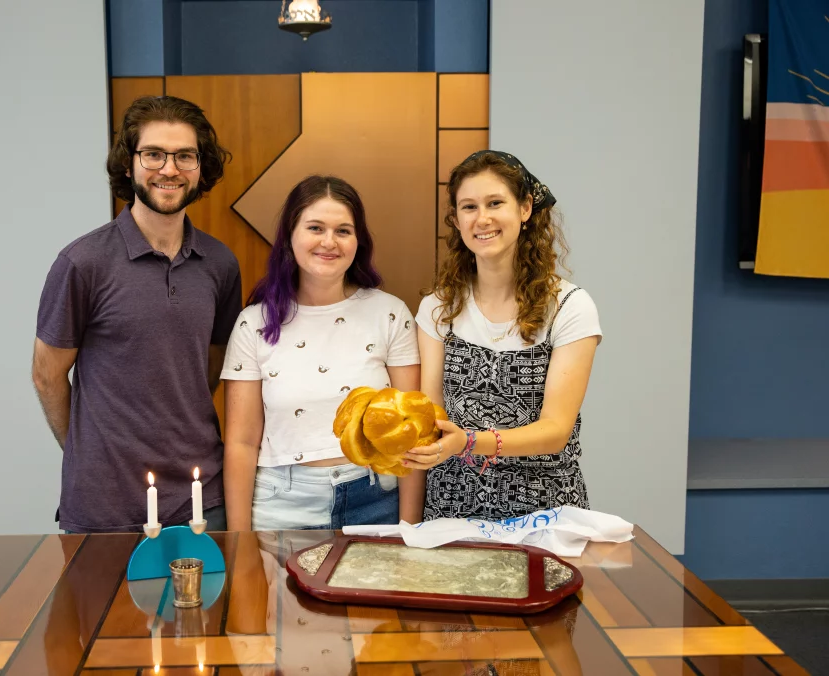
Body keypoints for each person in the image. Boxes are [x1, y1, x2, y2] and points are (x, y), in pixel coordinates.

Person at [32, 96, 242, 533]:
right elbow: (47, 375)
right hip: (105, 503)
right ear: (128, 165)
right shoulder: (82, 262)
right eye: (154, 154)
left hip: (200, 495)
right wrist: (87, 453)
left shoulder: (220, 264)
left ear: (201, 168)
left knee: (206, 605)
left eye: (185, 155)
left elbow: (210, 363)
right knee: (101, 606)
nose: (170, 169)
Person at [404, 150, 602, 520]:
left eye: (495, 203)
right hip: (451, 512)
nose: (483, 219)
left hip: (544, 513)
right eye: (469, 207)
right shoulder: (437, 308)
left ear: (525, 208)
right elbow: (431, 414)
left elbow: (555, 431)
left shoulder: (570, 307)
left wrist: (467, 441)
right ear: (456, 219)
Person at [221, 175, 421, 530]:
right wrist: (239, 541)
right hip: (282, 506)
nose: (329, 242)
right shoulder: (253, 323)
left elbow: (412, 433)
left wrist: (409, 529)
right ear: (290, 237)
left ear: (358, 242)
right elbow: (241, 442)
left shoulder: (390, 313)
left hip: (375, 500)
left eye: (343, 230)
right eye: (315, 227)